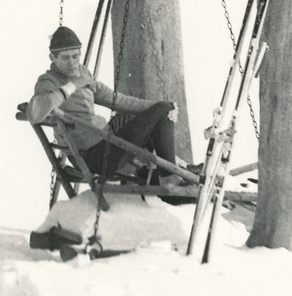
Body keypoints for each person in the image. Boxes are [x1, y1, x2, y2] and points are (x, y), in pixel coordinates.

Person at [26, 25, 183, 187]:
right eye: (65, 58)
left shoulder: (82, 72)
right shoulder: (47, 81)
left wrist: (157, 107)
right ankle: (169, 176)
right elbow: (34, 114)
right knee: (161, 110)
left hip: (105, 139)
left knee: (156, 110)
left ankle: (168, 164)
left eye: (76, 56)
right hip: (94, 156)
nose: (72, 63)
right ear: (53, 58)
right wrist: (73, 85)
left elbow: (114, 99)